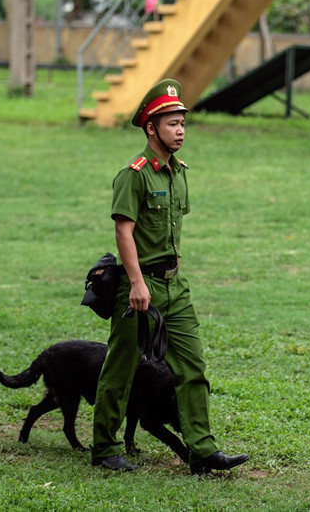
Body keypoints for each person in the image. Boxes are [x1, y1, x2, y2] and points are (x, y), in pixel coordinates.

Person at [90, 79, 248, 475]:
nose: (180, 130)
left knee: (192, 366)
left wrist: (169, 276)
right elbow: (123, 231)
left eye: (182, 123)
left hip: (174, 285)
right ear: (151, 128)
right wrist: (138, 283)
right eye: (172, 123)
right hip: (137, 285)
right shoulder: (135, 174)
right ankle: (105, 447)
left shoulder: (178, 173)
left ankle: (203, 450)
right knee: (121, 367)